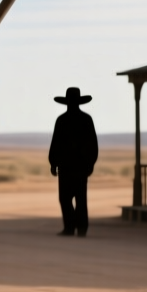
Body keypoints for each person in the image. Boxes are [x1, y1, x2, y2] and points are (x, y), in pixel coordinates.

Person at [48, 87, 98, 237]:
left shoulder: (62, 120)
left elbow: (55, 143)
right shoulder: (85, 119)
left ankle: (71, 227)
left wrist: (53, 163)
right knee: (79, 198)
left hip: (68, 167)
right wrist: (90, 164)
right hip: (78, 167)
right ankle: (80, 228)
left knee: (66, 198)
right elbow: (93, 145)